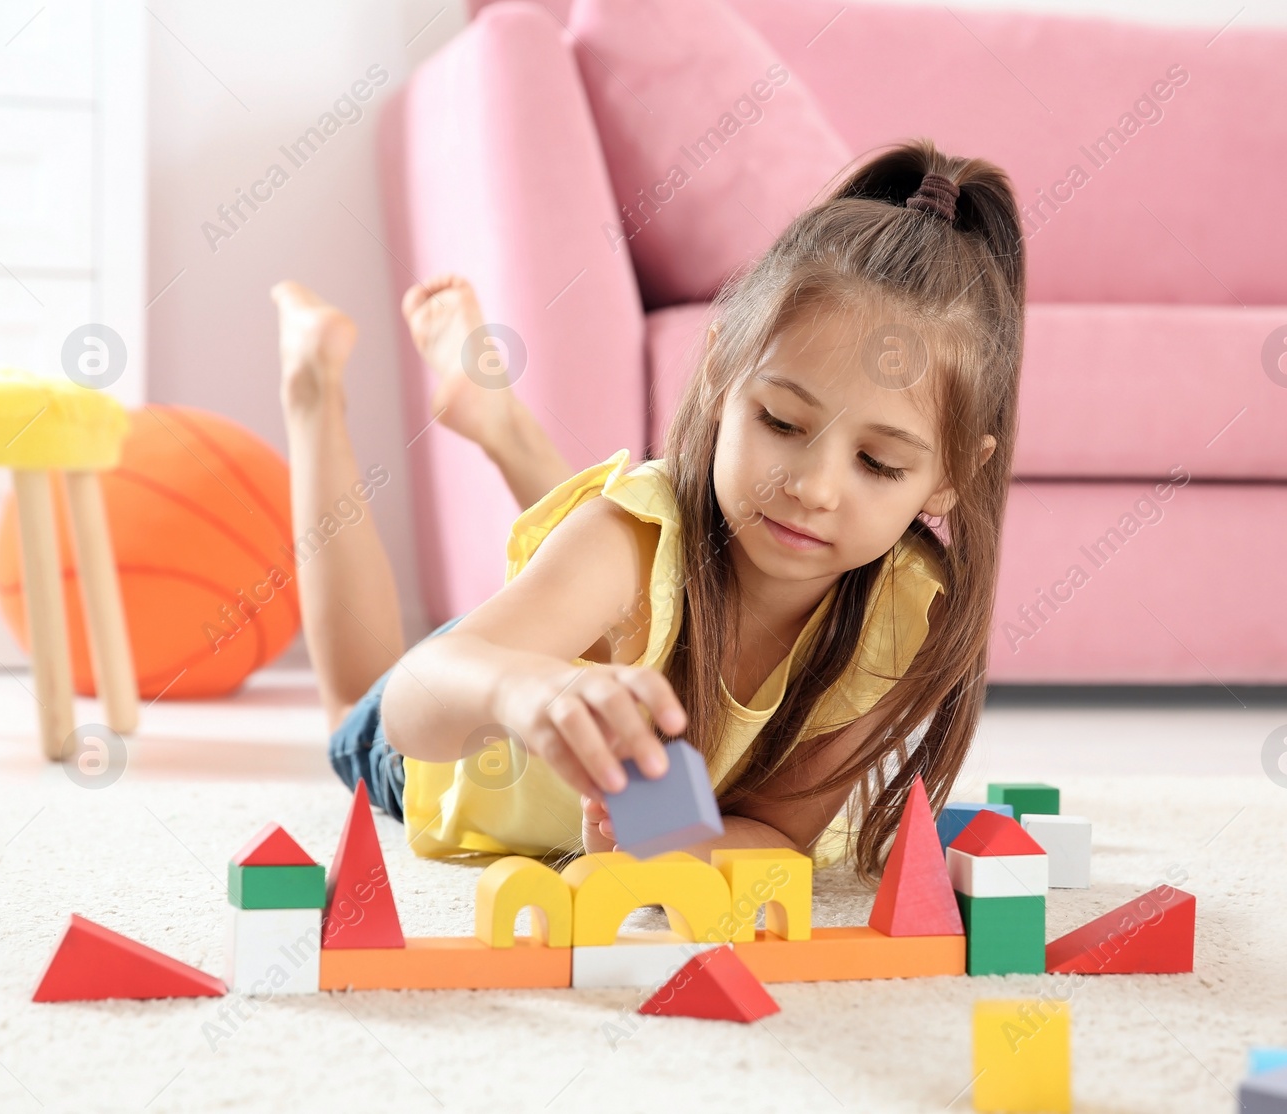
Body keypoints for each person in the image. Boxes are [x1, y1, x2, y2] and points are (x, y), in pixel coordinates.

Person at [272, 137, 1025, 884]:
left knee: (638, 553)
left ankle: (502, 427)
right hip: (462, 723)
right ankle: (313, 396)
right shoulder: (631, 538)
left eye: (877, 464)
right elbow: (415, 698)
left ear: (949, 478)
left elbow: (774, 833)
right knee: (354, 697)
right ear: (720, 370)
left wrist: (663, 852)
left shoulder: (905, 610)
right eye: (782, 424)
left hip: (598, 598)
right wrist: (523, 689)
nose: (815, 488)